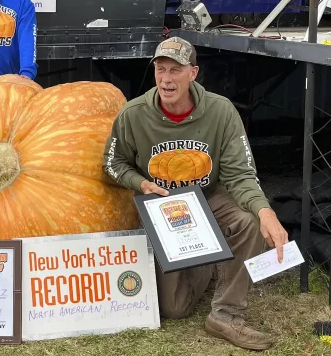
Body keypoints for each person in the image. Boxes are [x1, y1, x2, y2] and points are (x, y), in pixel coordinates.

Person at [102, 37, 288, 351]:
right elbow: (111, 163)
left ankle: (227, 313)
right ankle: (207, 261)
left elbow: (240, 174)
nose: (167, 78)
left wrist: (264, 210)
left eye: (176, 70)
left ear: (193, 73)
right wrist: (140, 183)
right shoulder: (133, 115)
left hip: (208, 196)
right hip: (162, 204)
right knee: (175, 308)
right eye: (161, 69)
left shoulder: (221, 111)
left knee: (248, 220)